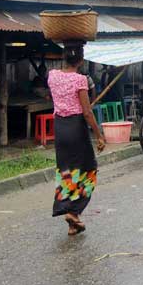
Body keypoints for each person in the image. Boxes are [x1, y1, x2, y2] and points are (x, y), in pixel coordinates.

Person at [47, 44, 105, 236]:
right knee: (89, 171)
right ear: (81, 60)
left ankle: (73, 222)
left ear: (64, 57)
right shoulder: (80, 80)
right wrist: (99, 135)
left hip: (60, 129)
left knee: (66, 172)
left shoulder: (52, 75)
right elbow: (87, 113)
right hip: (76, 128)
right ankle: (74, 211)